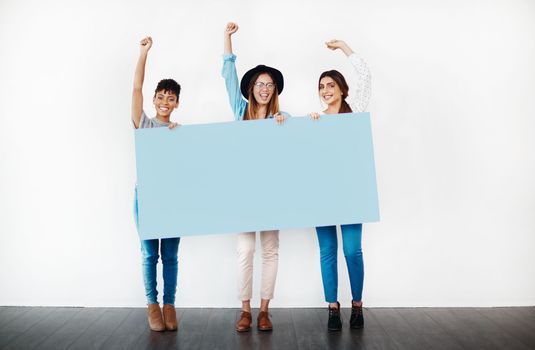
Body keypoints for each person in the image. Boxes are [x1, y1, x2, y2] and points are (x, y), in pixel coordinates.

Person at [222, 22, 290, 332]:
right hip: (243, 193)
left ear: (274, 90)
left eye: (270, 84)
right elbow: (228, 76)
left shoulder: (283, 118)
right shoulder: (240, 112)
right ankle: (245, 310)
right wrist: (227, 39)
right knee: (245, 250)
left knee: (270, 249)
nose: (264, 88)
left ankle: (264, 310)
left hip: (273, 192)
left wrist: (285, 124)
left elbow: (304, 145)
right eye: (260, 84)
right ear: (252, 88)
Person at [309, 39, 371, 331]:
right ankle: (332, 307)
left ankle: (356, 305)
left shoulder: (354, 111)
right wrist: (310, 127)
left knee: (351, 251)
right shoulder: (316, 120)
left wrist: (345, 47)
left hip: (351, 193)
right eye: (322, 86)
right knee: (327, 251)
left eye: (331, 85)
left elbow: (365, 75)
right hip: (322, 194)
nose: (325, 90)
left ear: (342, 89)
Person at [132, 36, 181, 332]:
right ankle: (152, 304)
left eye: (171, 98)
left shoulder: (180, 132)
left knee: (171, 255)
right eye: (161, 97)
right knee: (150, 253)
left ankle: (169, 304)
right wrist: (143, 54)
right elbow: (136, 88)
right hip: (147, 197)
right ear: (154, 100)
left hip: (172, 199)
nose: (165, 102)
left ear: (177, 103)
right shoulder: (144, 123)